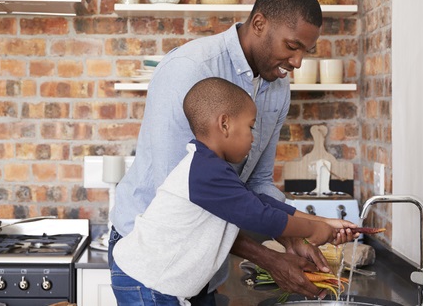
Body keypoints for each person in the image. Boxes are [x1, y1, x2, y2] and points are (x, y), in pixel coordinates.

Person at [109, 0, 356, 304]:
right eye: (292, 46)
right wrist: (278, 250)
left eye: (305, 52)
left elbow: (257, 183)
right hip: (153, 265)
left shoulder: (278, 86)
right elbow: (194, 204)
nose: (297, 63)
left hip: (201, 265)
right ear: (259, 24)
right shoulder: (189, 71)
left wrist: (294, 234)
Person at [111, 78, 354, 305]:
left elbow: (257, 202)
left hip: (154, 283)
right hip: (146, 282)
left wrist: (324, 222)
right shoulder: (205, 171)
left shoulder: (211, 167)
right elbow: (260, 216)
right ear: (225, 124)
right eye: (250, 127)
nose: (253, 138)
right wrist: (314, 229)